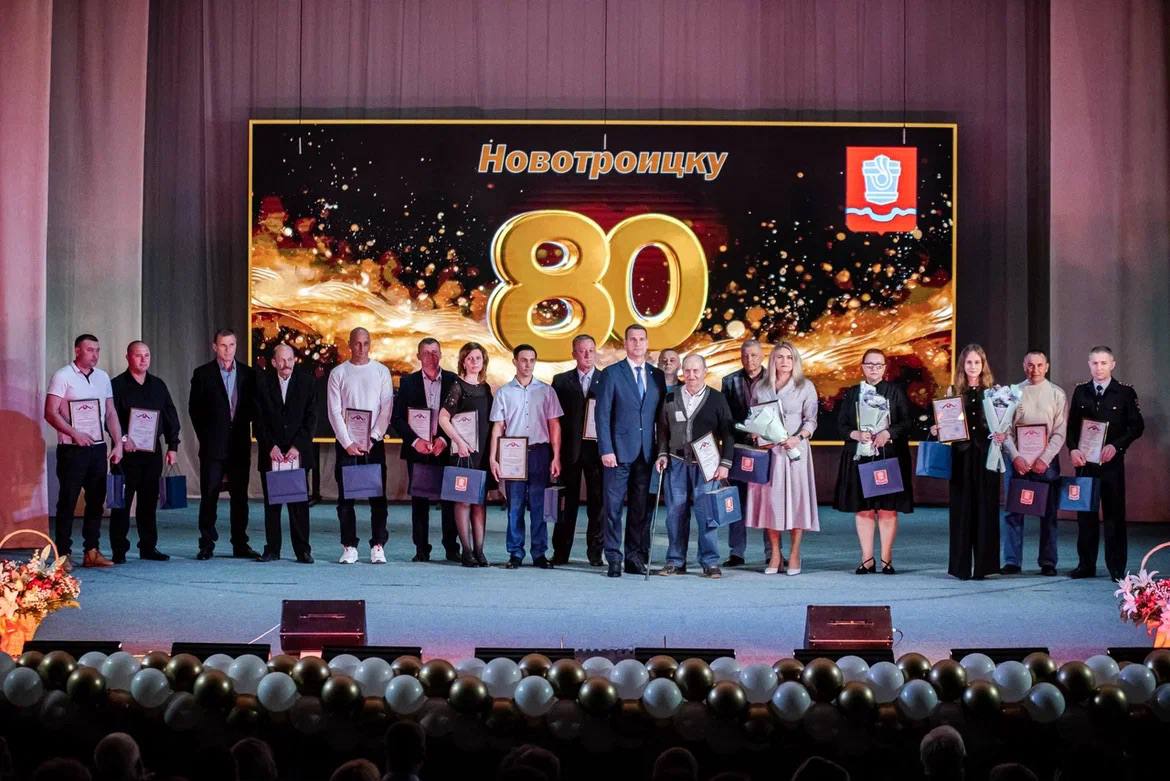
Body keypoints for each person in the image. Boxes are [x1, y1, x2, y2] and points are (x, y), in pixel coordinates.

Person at [44, 333, 123, 569]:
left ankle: (91, 551)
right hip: (72, 449)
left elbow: (110, 412)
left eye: (97, 350)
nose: (95, 355)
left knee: (96, 500)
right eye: (90, 350)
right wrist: (74, 433)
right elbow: (50, 412)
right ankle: (63, 553)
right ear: (77, 351)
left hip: (97, 448)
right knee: (68, 500)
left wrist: (118, 443)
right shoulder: (63, 376)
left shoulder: (102, 377)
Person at [594, 324, 667, 577]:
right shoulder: (612, 373)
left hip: (646, 454)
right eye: (632, 339)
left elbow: (661, 419)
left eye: (641, 339)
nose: (637, 343)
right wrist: (606, 449)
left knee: (640, 509)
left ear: (647, 343)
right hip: (617, 453)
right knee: (613, 507)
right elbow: (602, 415)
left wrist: (661, 451)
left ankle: (634, 557)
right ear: (625, 343)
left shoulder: (657, 375)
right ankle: (614, 557)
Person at [834, 348, 914, 574]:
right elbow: (840, 425)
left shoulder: (895, 392)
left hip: (889, 456)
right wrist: (856, 434)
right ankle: (867, 558)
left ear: (885, 368)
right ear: (862, 367)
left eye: (878, 365)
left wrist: (888, 433)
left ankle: (886, 558)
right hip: (860, 456)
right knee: (864, 509)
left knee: (888, 509)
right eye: (869, 365)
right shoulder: (852, 393)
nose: (874, 369)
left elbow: (907, 423)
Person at [654, 354, 735, 578]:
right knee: (675, 513)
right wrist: (662, 454)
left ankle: (710, 562)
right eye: (687, 371)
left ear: (704, 371)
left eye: (696, 371)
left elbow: (728, 434)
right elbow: (662, 429)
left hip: (707, 466)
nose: (691, 375)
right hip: (676, 463)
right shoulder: (671, 397)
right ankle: (675, 561)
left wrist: (725, 463)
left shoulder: (717, 398)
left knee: (706, 514)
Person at [1067, 345, 1144, 580]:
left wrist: (1117, 446)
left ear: (1112, 364)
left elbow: (1136, 427)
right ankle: (1085, 565)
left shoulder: (1124, 393)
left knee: (1114, 516)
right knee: (1085, 516)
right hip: (1085, 464)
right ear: (1089, 365)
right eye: (1094, 363)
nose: (1099, 367)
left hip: (1111, 465)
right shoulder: (1081, 391)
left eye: (1103, 363)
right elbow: (1071, 427)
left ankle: (1116, 567)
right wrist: (1073, 449)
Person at [744, 341, 819, 575]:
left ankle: (795, 554)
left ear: (795, 361)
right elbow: (753, 417)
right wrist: (756, 433)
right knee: (771, 503)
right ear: (773, 360)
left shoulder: (805, 386)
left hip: (795, 452)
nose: (785, 362)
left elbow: (811, 420)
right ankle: (775, 554)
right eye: (780, 357)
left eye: (789, 357)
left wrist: (798, 438)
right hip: (771, 453)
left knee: (797, 501)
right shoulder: (761, 387)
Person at [489, 344, 563, 569]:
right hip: (513, 453)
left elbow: (554, 425)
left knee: (540, 507)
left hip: (540, 452)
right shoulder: (504, 392)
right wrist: (494, 458)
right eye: (523, 360)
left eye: (532, 360)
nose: (528, 364)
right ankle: (515, 553)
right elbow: (498, 427)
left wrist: (556, 456)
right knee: (515, 506)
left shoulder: (547, 391)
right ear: (515, 361)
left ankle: (539, 553)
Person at [188, 328, 259, 560]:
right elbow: (194, 410)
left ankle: (240, 544)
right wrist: (207, 437)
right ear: (214, 347)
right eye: (223, 345)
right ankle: (206, 544)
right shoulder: (203, 374)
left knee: (240, 497)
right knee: (209, 496)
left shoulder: (249, 374)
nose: (228, 350)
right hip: (213, 447)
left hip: (239, 445)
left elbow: (254, 409)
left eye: (232, 345)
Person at [327, 327, 394, 564]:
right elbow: (334, 411)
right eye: (357, 343)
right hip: (347, 445)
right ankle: (349, 546)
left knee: (378, 496)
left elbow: (386, 408)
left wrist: (373, 438)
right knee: (346, 498)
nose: (361, 348)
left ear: (370, 344)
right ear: (349, 344)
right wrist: (347, 442)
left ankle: (378, 545)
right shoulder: (338, 373)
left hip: (374, 444)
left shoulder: (381, 372)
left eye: (365, 343)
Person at [109, 341, 180, 563]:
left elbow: (170, 416)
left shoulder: (158, 385)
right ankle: (119, 549)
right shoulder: (116, 385)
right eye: (138, 355)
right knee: (121, 502)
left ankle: (148, 547)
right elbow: (109, 418)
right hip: (125, 454)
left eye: (146, 355)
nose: (143, 360)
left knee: (148, 503)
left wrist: (173, 446)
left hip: (152, 453)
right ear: (128, 357)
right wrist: (122, 439)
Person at [390, 337, 460, 563]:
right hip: (417, 450)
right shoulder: (408, 382)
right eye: (427, 352)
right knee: (419, 501)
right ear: (418, 356)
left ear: (441, 354)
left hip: (445, 449)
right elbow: (397, 418)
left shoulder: (453, 380)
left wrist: (444, 439)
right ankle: (421, 548)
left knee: (450, 500)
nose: (431, 356)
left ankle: (451, 547)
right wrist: (415, 441)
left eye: (435, 352)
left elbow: (460, 416)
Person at [935, 344, 1001, 580]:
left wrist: (1003, 433)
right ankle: (960, 567)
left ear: (983, 365)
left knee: (986, 510)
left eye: (977, 362)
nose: (973, 367)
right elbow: (945, 425)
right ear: (962, 365)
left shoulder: (994, 392)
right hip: (961, 458)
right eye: (969, 362)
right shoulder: (952, 392)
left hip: (986, 458)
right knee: (961, 511)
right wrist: (937, 429)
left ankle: (984, 566)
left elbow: (1003, 423)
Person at [1001, 349, 1067, 576]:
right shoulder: (1012, 393)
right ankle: (1012, 561)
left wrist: (1045, 459)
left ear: (1047, 367)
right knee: (1013, 512)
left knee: (1049, 514)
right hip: (1017, 462)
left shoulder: (1057, 394)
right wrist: (1015, 456)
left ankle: (1048, 562)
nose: (1035, 369)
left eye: (1039, 365)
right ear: (1024, 366)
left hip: (1045, 463)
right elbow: (1004, 429)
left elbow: (1060, 431)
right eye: (1030, 365)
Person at [254, 343, 317, 563]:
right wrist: (270, 446)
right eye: (281, 360)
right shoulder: (262, 383)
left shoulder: (307, 383)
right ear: (273, 362)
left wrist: (297, 447)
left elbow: (311, 419)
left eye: (289, 359)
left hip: (297, 454)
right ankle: (272, 549)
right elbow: (258, 420)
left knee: (299, 505)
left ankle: (303, 550)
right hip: (271, 453)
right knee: (272, 504)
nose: (286, 364)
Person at [438, 342, 494, 566]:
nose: (474, 362)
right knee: (463, 501)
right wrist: (459, 442)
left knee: (479, 502)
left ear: (483, 361)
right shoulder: (457, 386)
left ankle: (480, 550)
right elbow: (443, 418)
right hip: (463, 453)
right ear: (463, 361)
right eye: (470, 358)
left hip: (482, 454)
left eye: (478, 358)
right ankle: (467, 551)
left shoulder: (486, 388)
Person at [550, 334, 604, 565]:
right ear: (574, 354)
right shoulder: (560, 381)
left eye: (591, 350)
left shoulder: (606, 379)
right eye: (582, 351)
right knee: (565, 504)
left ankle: (595, 553)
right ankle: (560, 553)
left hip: (599, 452)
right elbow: (554, 420)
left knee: (598, 504)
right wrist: (555, 455)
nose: (587, 355)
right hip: (569, 452)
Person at [721, 339, 771, 567]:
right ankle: (737, 552)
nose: (749, 359)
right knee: (737, 500)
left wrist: (763, 434)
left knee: (768, 502)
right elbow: (726, 419)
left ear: (762, 356)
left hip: (767, 448)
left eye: (754, 355)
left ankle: (772, 553)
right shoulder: (729, 381)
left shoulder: (774, 378)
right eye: (745, 355)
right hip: (739, 448)